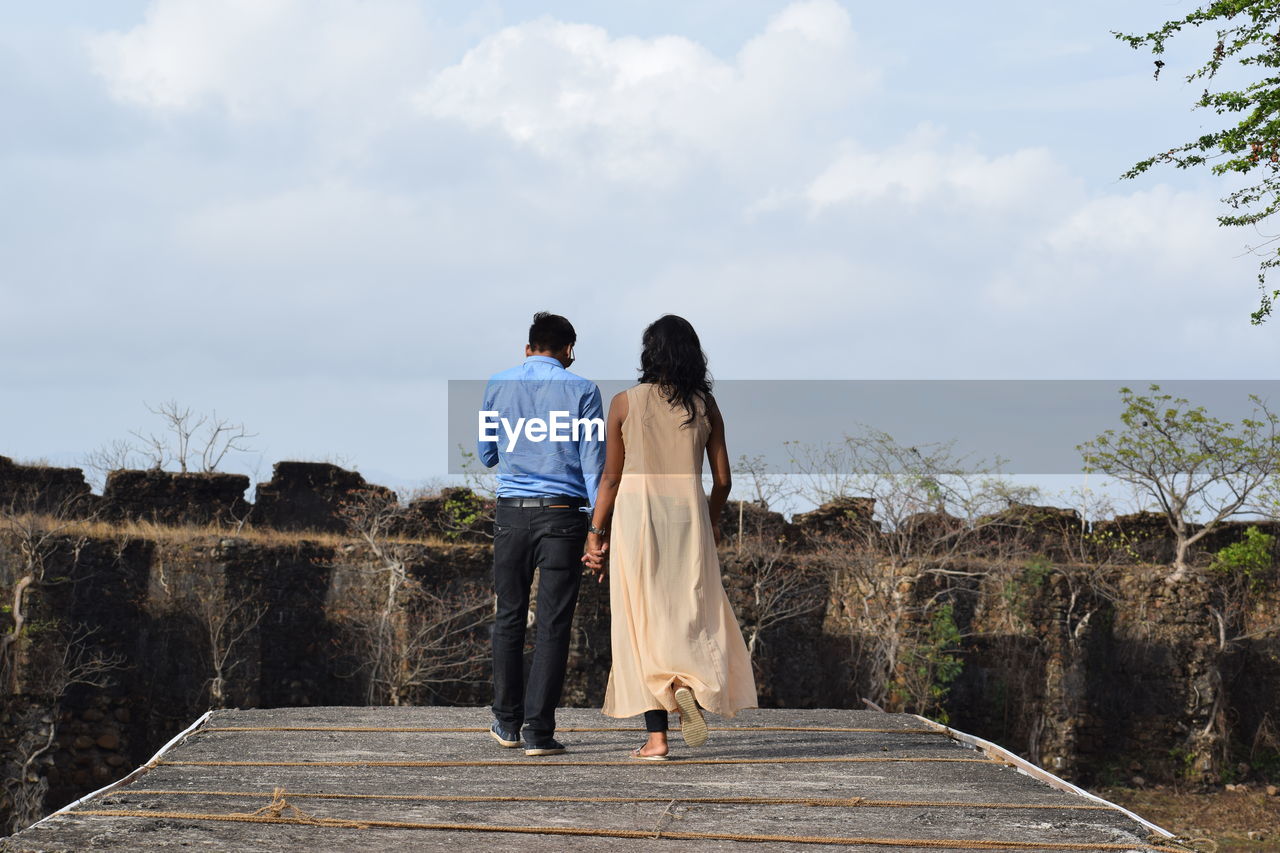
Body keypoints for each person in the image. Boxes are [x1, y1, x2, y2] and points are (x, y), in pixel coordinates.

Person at [581, 315, 757, 760]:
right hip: (687, 517)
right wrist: (711, 520)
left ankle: (656, 739)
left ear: (649, 353)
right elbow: (723, 480)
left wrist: (595, 535)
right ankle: (687, 686)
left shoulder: (625, 402)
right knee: (691, 612)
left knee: (640, 622)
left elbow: (611, 478)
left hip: (637, 520)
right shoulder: (704, 405)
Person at [478, 312, 605, 756]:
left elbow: (486, 454)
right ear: (569, 349)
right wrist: (598, 528)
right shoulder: (585, 390)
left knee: (508, 616)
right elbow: (595, 465)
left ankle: (506, 723)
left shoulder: (498, 383)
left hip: (511, 514)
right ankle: (539, 732)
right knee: (553, 624)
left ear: (528, 348)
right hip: (562, 516)